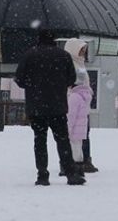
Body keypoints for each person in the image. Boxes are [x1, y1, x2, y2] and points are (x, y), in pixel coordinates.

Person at [14, 31, 84, 186]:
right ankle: (70, 173)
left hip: (36, 107)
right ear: (54, 40)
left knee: (40, 140)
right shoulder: (63, 56)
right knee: (62, 140)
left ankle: (42, 175)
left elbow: (19, 79)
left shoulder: (29, 55)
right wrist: (57, 85)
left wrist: (33, 87)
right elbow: (72, 79)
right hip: (57, 106)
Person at [62, 38, 98, 175]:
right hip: (73, 101)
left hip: (83, 102)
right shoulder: (69, 64)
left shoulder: (81, 64)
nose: (83, 53)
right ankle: (75, 160)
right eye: (81, 50)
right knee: (74, 132)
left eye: (84, 50)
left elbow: (85, 82)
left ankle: (84, 159)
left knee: (83, 132)